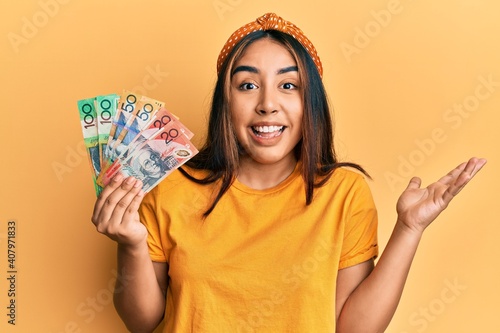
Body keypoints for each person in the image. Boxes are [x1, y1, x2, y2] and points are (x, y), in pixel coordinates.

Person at [91, 12, 487, 333]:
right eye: (247, 85)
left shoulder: (344, 193)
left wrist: (409, 229)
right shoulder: (172, 188)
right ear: (224, 103)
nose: (267, 104)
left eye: (288, 85)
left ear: (309, 103)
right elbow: (142, 322)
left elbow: (353, 329)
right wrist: (130, 244)